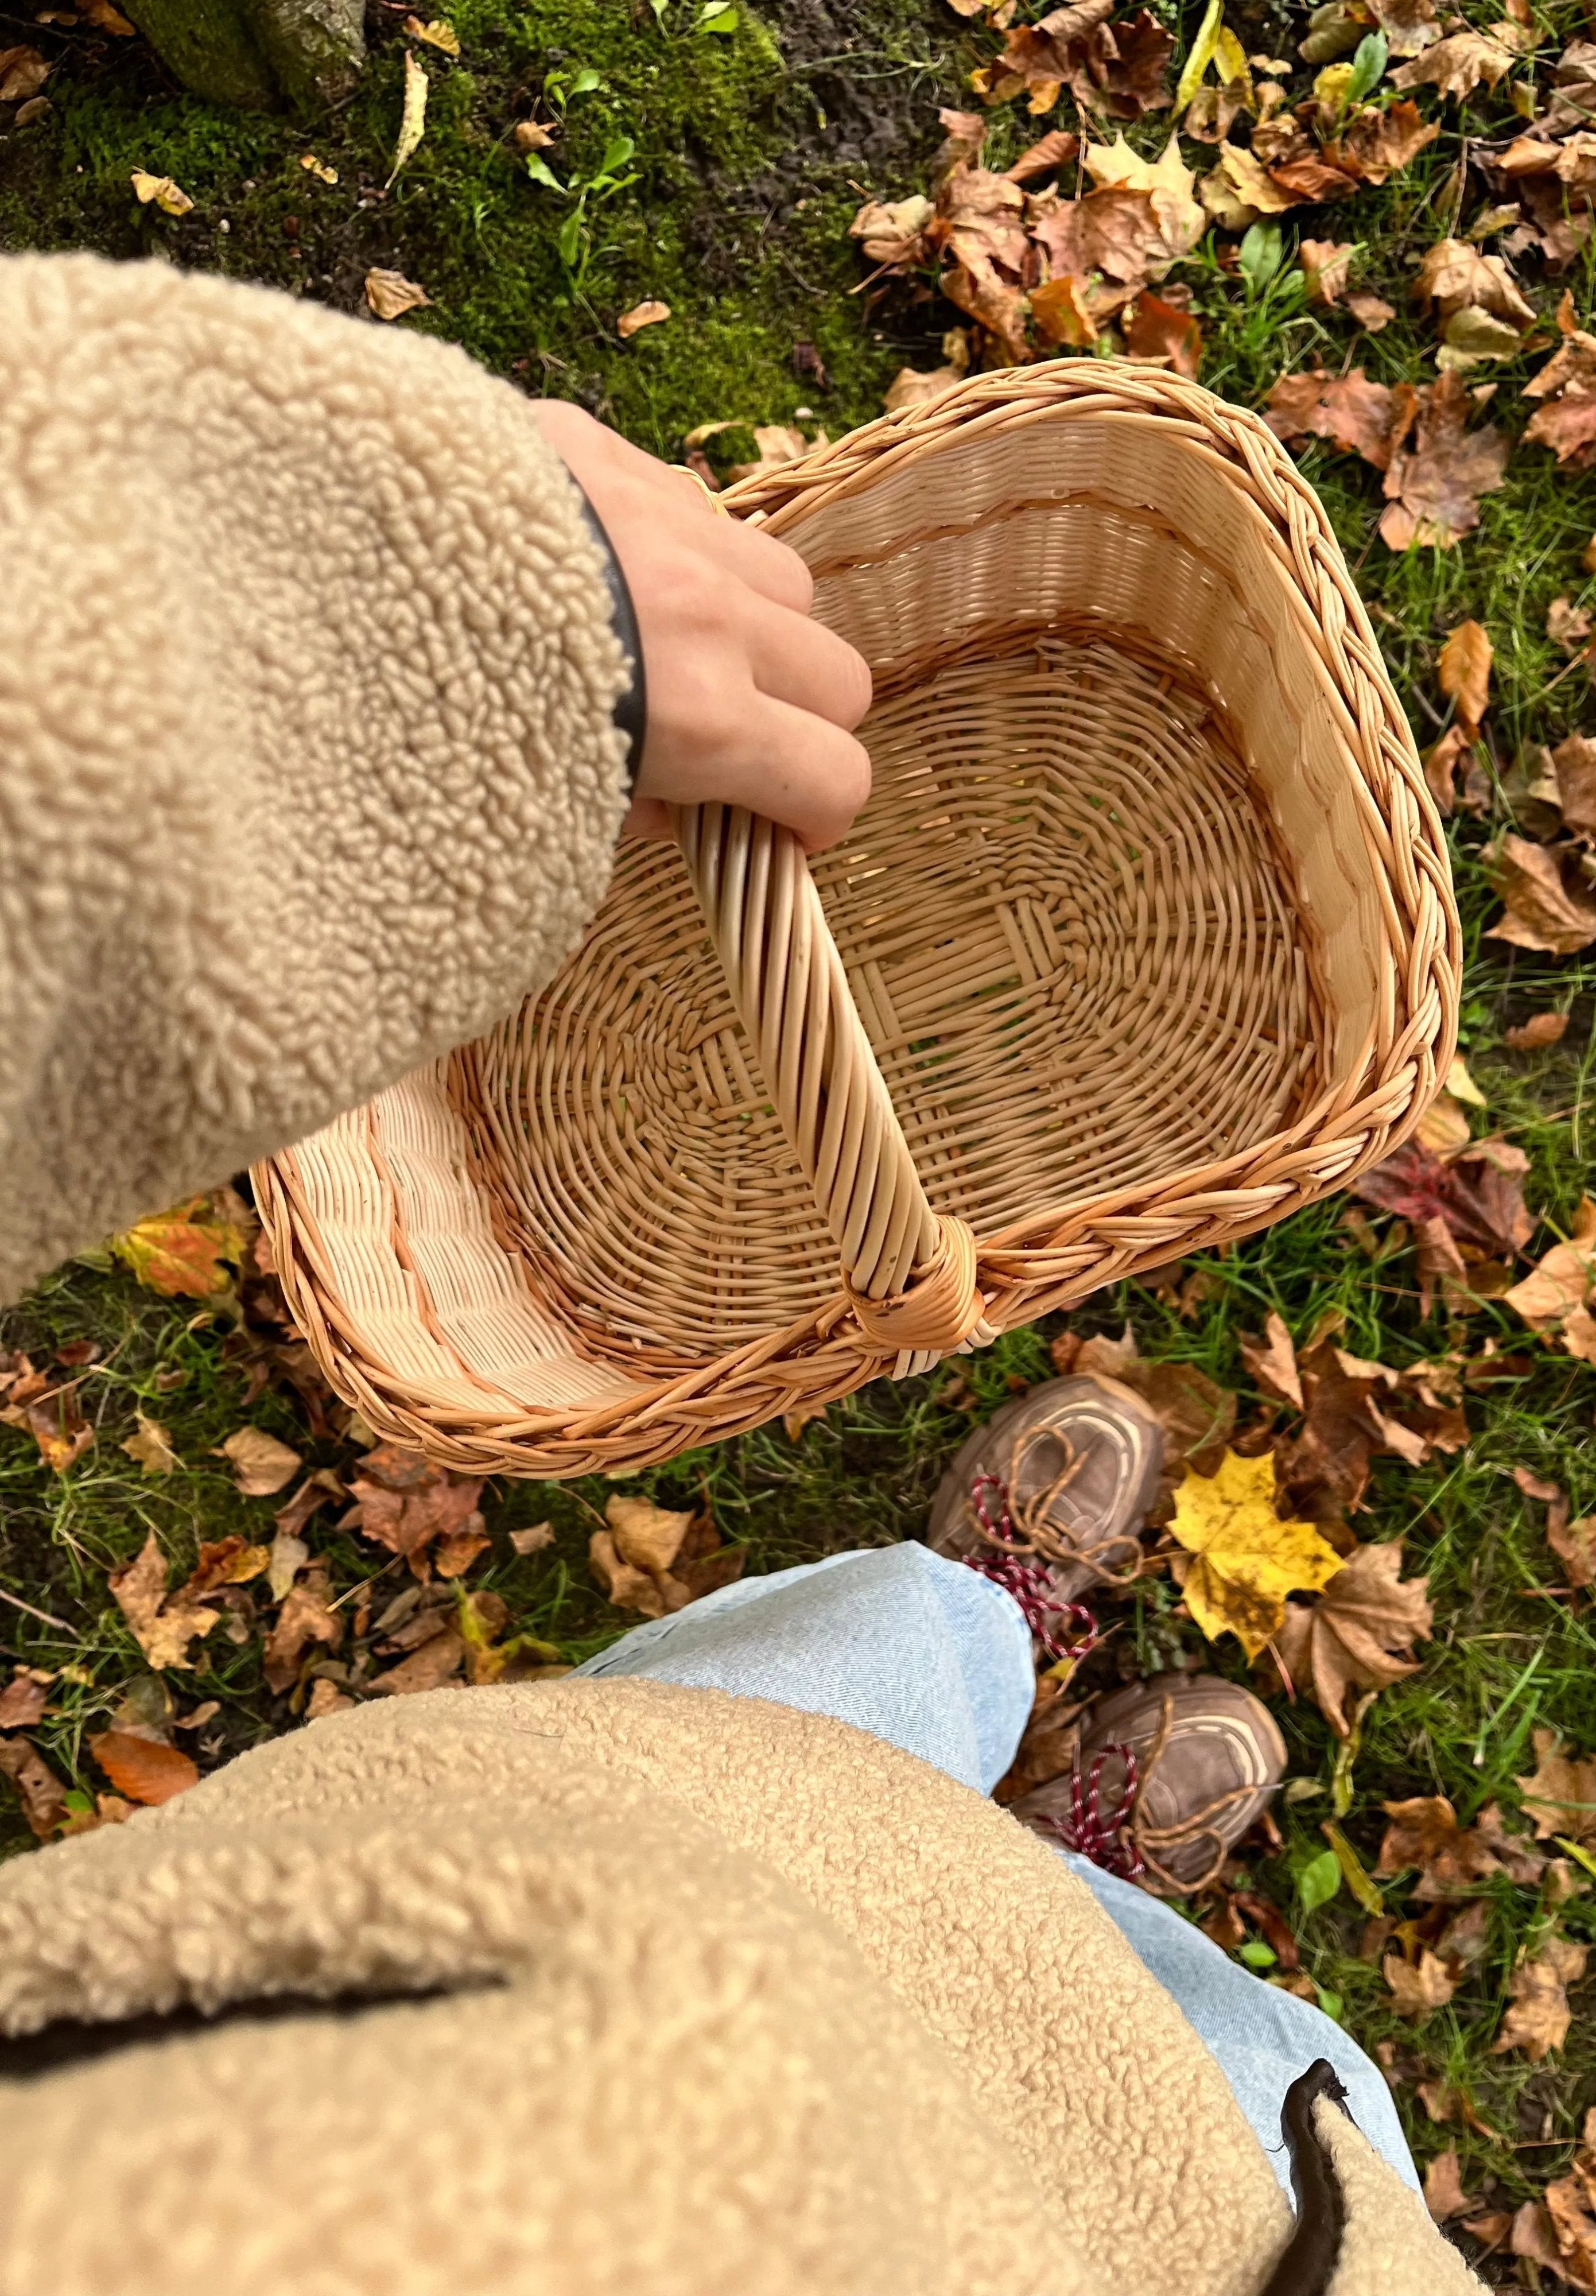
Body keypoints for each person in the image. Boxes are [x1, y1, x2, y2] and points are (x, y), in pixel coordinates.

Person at [0, 253, 1478, 2295]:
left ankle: (976, 1642)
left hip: (445, 1984)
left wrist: (366, 623)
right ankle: (1072, 1875)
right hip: (1179, 2236)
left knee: (816, 1736)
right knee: (1168, 2049)